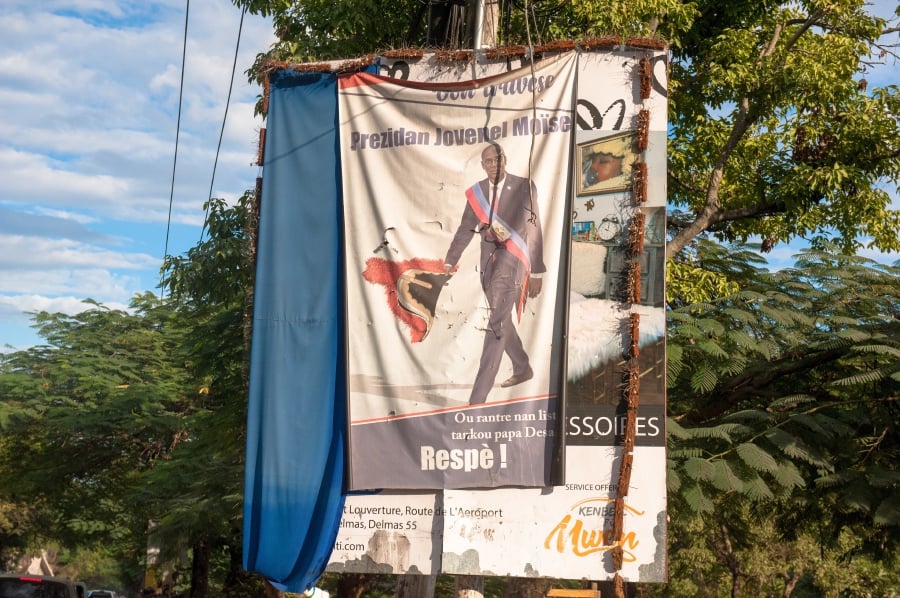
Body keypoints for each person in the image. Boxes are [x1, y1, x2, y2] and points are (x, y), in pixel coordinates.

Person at [444, 143, 545, 405]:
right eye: (487, 161)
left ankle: (477, 398)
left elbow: (534, 229)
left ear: (505, 159)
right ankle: (522, 366)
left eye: (497, 159)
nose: (493, 165)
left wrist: (536, 271)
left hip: (513, 264)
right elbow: (466, 228)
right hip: (488, 266)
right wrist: (449, 262)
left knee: (496, 325)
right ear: (483, 165)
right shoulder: (477, 193)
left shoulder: (524, 186)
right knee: (501, 320)